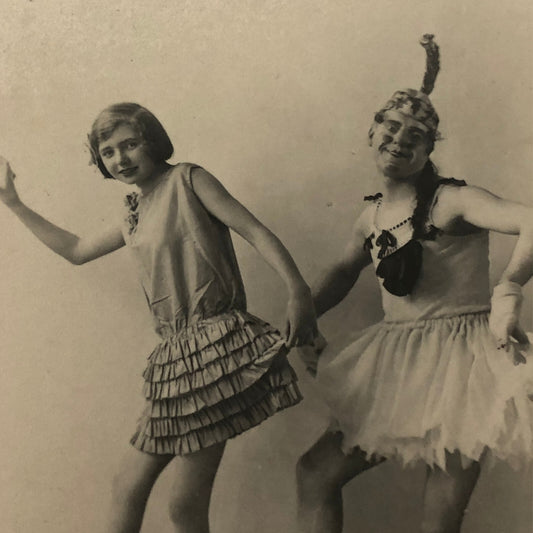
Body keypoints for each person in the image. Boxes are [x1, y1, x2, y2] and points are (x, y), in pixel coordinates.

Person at [0, 102, 317, 533]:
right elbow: (76, 250)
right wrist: (14, 203)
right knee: (141, 492)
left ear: (152, 140)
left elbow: (255, 231)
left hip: (216, 349)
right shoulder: (133, 210)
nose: (120, 159)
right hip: (175, 360)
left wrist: (298, 290)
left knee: (178, 505)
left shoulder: (189, 180)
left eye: (129, 144)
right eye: (108, 152)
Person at [296, 35, 533, 533]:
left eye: (416, 135)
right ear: (372, 131)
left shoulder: (454, 201)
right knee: (315, 474)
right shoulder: (371, 217)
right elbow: (343, 272)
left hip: (464, 368)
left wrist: (509, 289)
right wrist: (300, 315)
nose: (400, 139)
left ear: (428, 150)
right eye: (392, 126)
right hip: (396, 364)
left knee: (438, 523)